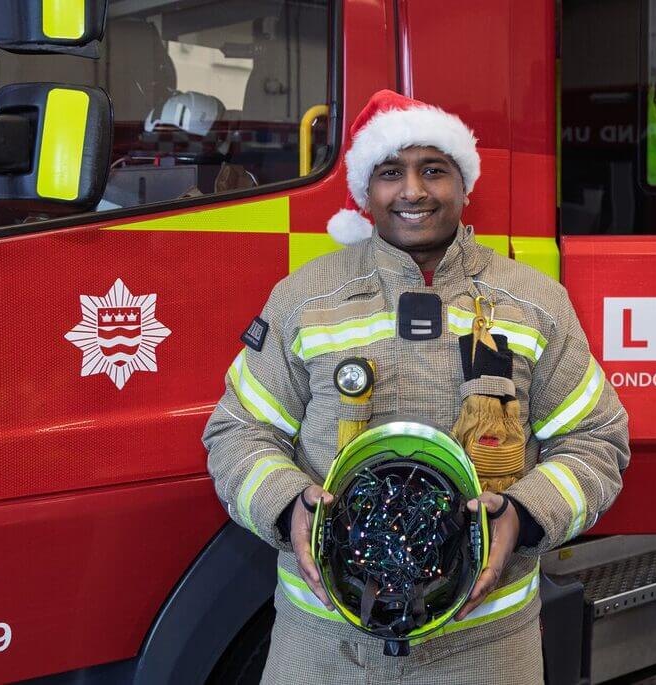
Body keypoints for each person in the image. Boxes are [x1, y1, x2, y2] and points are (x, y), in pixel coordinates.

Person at [203, 89, 630, 684]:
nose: (413, 191)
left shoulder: (534, 303)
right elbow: (238, 432)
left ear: (464, 183)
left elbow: (596, 441)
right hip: (323, 650)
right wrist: (286, 509)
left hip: (486, 651)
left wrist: (524, 517)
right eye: (390, 172)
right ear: (364, 190)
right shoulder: (306, 298)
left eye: (434, 169)